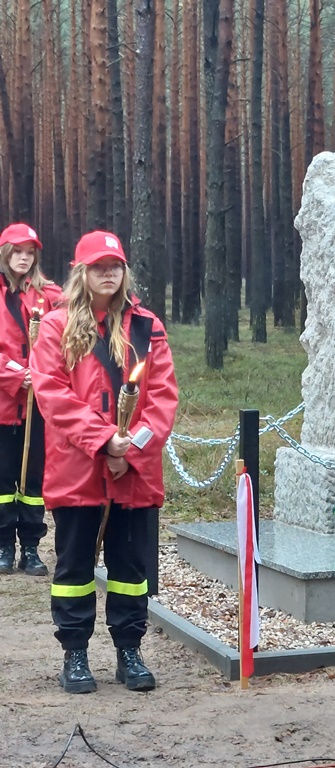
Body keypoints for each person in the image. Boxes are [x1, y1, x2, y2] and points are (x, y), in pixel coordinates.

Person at [30, 231, 178, 694]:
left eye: (115, 265)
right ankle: (75, 653)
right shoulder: (56, 326)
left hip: (134, 473)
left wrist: (129, 451)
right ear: (81, 272)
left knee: (131, 569)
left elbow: (162, 399)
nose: (108, 273)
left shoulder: (147, 326)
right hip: (77, 468)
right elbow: (53, 394)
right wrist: (103, 442)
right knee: (74, 567)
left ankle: (129, 651)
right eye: (98, 267)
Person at [0, 223, 62, 577]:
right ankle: (3, 545)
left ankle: (31, 547)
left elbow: (67, 335)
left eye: (29, 252)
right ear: (5, 253)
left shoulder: (49, 294)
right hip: (3, 401)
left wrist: (41, 372)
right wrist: (13, 374)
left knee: (34, 479)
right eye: (17, 251)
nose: (24, 258)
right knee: (2, 478)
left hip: (39, 403)